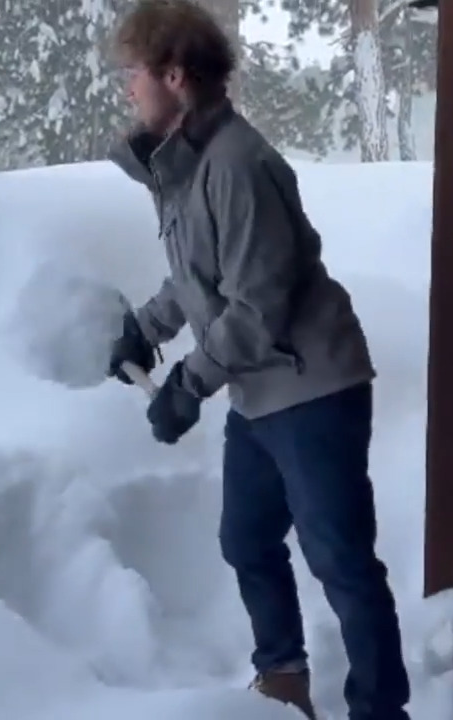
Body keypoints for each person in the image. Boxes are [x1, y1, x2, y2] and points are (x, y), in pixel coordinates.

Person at [102, 2, 412, 719]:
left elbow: (256, 306)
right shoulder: (189, 166)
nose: (129, 90)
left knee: (340, 562)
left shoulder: (238, 166)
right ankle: (283, 679)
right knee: (246, 541)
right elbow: (196, 278)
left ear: (174, 77)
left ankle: (380, 710)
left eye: (135, 75)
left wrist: (187, 383)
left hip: (313, 391)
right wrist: (147, 331)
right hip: (262, 395)